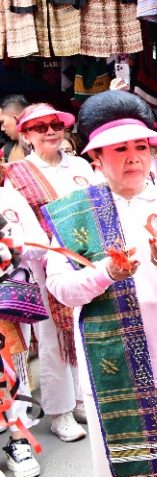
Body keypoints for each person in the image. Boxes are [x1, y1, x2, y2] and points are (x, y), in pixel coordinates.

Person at [44, 90, 157, 477]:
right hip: (110, 360)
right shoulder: (76, 210)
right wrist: (106, 274)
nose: (133, 157)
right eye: (119, 149)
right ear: (96, 158)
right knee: (121, 464)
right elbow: (60, 287)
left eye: (140, 146)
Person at [3, 103, 94, 444]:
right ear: (25, 135)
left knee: (83, 328)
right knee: (54, 337)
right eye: (40, 127)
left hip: (86, 259)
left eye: (55, 124)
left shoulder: (81, 166)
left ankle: (82, 397)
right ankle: (60, 412)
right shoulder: (16, 174)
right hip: (42, 263)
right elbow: (15, 226)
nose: (51, 131)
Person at [0, 186, 50, 477]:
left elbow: (40, 243)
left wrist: (10, 247)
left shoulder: (9, 196)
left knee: (13, 367)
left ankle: (18, 442)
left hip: (6, 300)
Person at [0, 95, 30, 163]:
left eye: (2, 122)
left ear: (16, 119)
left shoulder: (52, 143)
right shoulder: (6, 151)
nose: (2, 129)